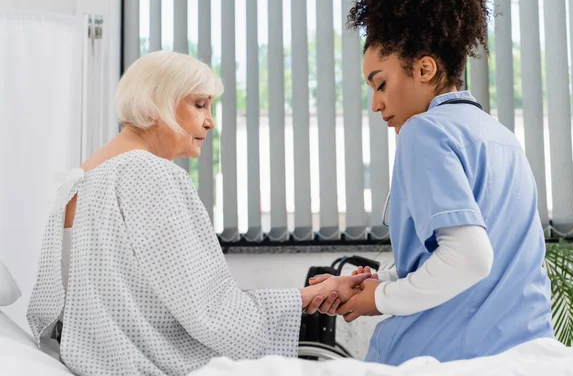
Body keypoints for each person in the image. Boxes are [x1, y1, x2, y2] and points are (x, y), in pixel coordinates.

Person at [26, 50, 367, 376]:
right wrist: (304, 297)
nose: (210, 121)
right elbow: (211, 311)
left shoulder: (79, 181)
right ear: (157, 102)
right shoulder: (150, 174)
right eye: (199, 104)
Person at [310, 0, 553, 366]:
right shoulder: (499, 136)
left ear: (424, 68)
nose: (376, 104)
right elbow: (460, 258)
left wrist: (379, 299)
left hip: (441, 356)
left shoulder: (424, 131)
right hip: (522, 355)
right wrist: (379, 282)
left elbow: (469, 258)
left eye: (381, 84)